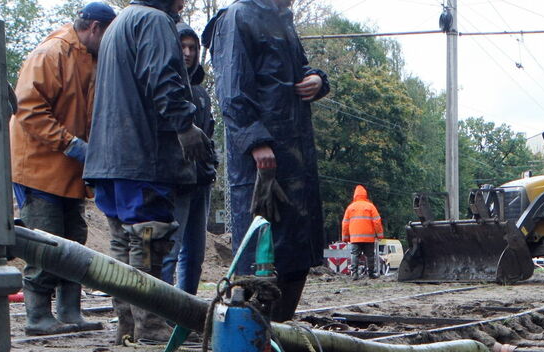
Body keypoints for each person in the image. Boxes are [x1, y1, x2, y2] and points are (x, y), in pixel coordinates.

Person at [83, 0, 211, 344]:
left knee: (123, 244)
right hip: (141, 156)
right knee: (149, 239)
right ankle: (152, 326)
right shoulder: (153, 21)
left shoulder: (120, 24)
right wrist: (185, 124)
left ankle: (128, 325)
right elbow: (163, 77)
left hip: (110, 159)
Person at [204, 0, 330, 321]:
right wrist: (256, 142)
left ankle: (280, 323)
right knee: (260, 242)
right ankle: (252, 324)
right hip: (261, 159)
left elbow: (298, 68)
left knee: (295, 246)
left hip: (295, 154)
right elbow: (232, 89)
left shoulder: (281, 19)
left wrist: (317, 79)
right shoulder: (238, 16)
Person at [9, 2, 116, 336]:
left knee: (74, 240)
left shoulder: (91, 58)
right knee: (47, 241)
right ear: (95, 28)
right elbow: (28, 108)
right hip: (41, 168)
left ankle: (70, 311)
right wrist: (70, 143)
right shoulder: (52, 53)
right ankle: (38, 316)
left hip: (71, 171)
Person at [160, 23, 218, 296]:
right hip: (175, 180)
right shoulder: (165, 90)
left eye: (192, 48)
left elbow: (208, 134)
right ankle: (164, 310)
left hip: (201, 179)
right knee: (170, 248)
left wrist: (210, 165)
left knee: (195, 253)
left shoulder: (202, 94)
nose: (187, 53)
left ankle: (187, 309)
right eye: (182, 47)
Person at [341, 185, 384, 279]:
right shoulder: (370, 206)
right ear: (365, 195)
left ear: (355, 195)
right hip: (369, 238)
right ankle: (371, 273)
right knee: (370, 256)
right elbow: (377, 221)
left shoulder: (350, 208)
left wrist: (345, 237)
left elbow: (345, 224)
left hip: (355, 238)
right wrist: (380, 235)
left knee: (355, 255)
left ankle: (354, 274)